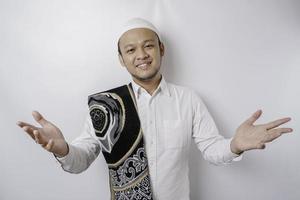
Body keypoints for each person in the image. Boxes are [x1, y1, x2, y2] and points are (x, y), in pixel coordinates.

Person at [17, 18, 293, 200]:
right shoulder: (106, 106)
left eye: (148, 46)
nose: (141, 55)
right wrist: (62, 149)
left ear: (161, 49)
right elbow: (80, 160)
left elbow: (212, 150)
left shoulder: (188, 99)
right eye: (131, 50)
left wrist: (235, 145)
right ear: (121, 60)